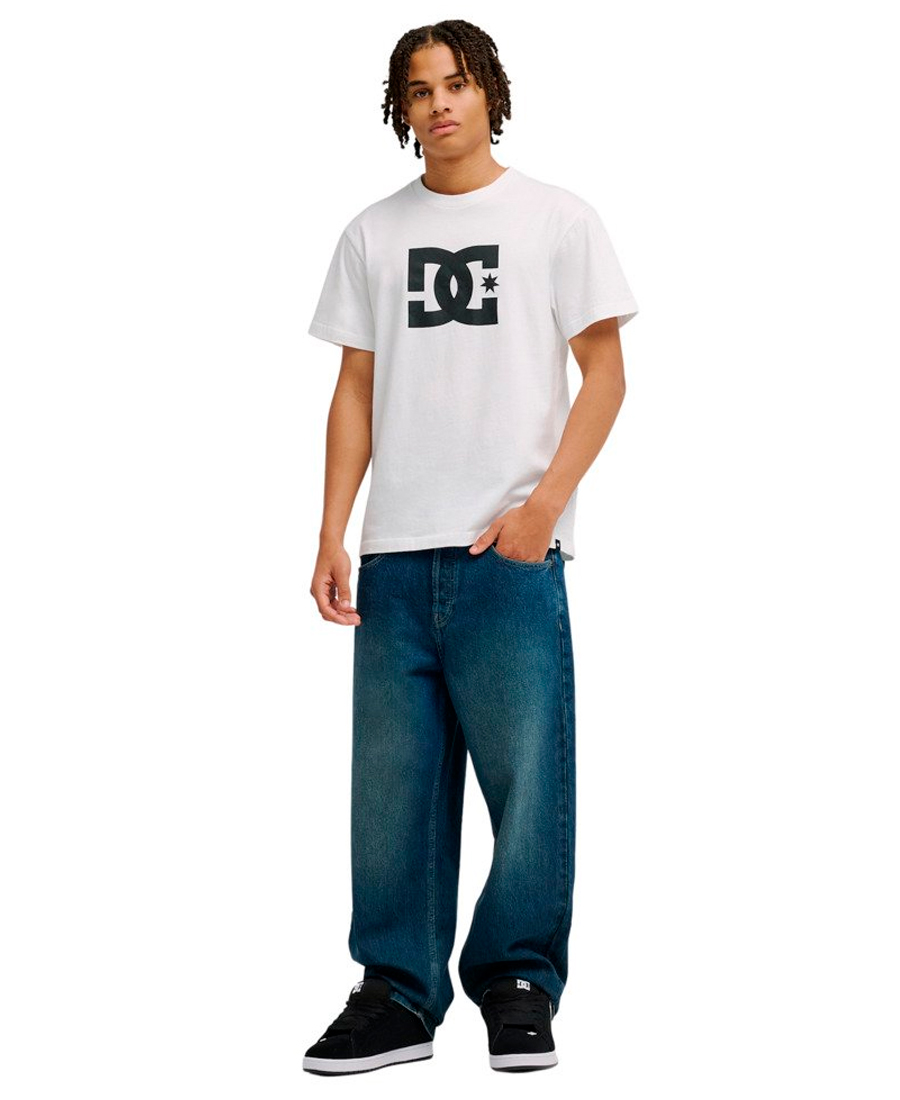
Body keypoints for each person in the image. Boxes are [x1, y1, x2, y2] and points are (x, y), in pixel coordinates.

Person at [303, 18, 639, 1076]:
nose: (439, 104)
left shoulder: (557, 219)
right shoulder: (371, 233)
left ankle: (519, 981)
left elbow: (606, 375)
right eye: (419, 91)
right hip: (397, 552)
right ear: (400, 111)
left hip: (509, 550)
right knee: (391, 789)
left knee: (531, 780)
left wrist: (543, 510)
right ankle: (398, 994)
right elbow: (355, 388)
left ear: (489, 90)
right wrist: (333, 529)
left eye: (456, 83)